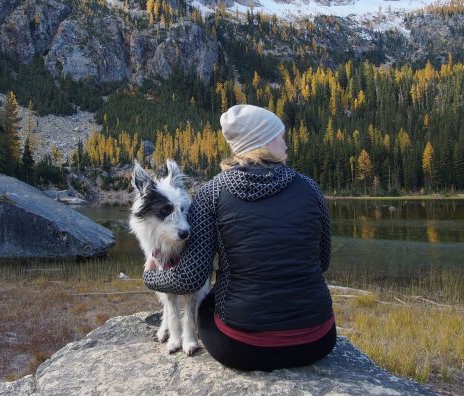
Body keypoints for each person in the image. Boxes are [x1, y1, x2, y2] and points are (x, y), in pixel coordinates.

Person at [143, 104, 335, 371]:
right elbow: (323, 261)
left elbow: (189, 278)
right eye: (280, 136)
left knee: (208, 305)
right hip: (317, 340)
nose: (286, 144)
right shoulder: (311, 188)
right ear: (263, 142)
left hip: (241, 348)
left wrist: (149, 276)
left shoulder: (212, 193)